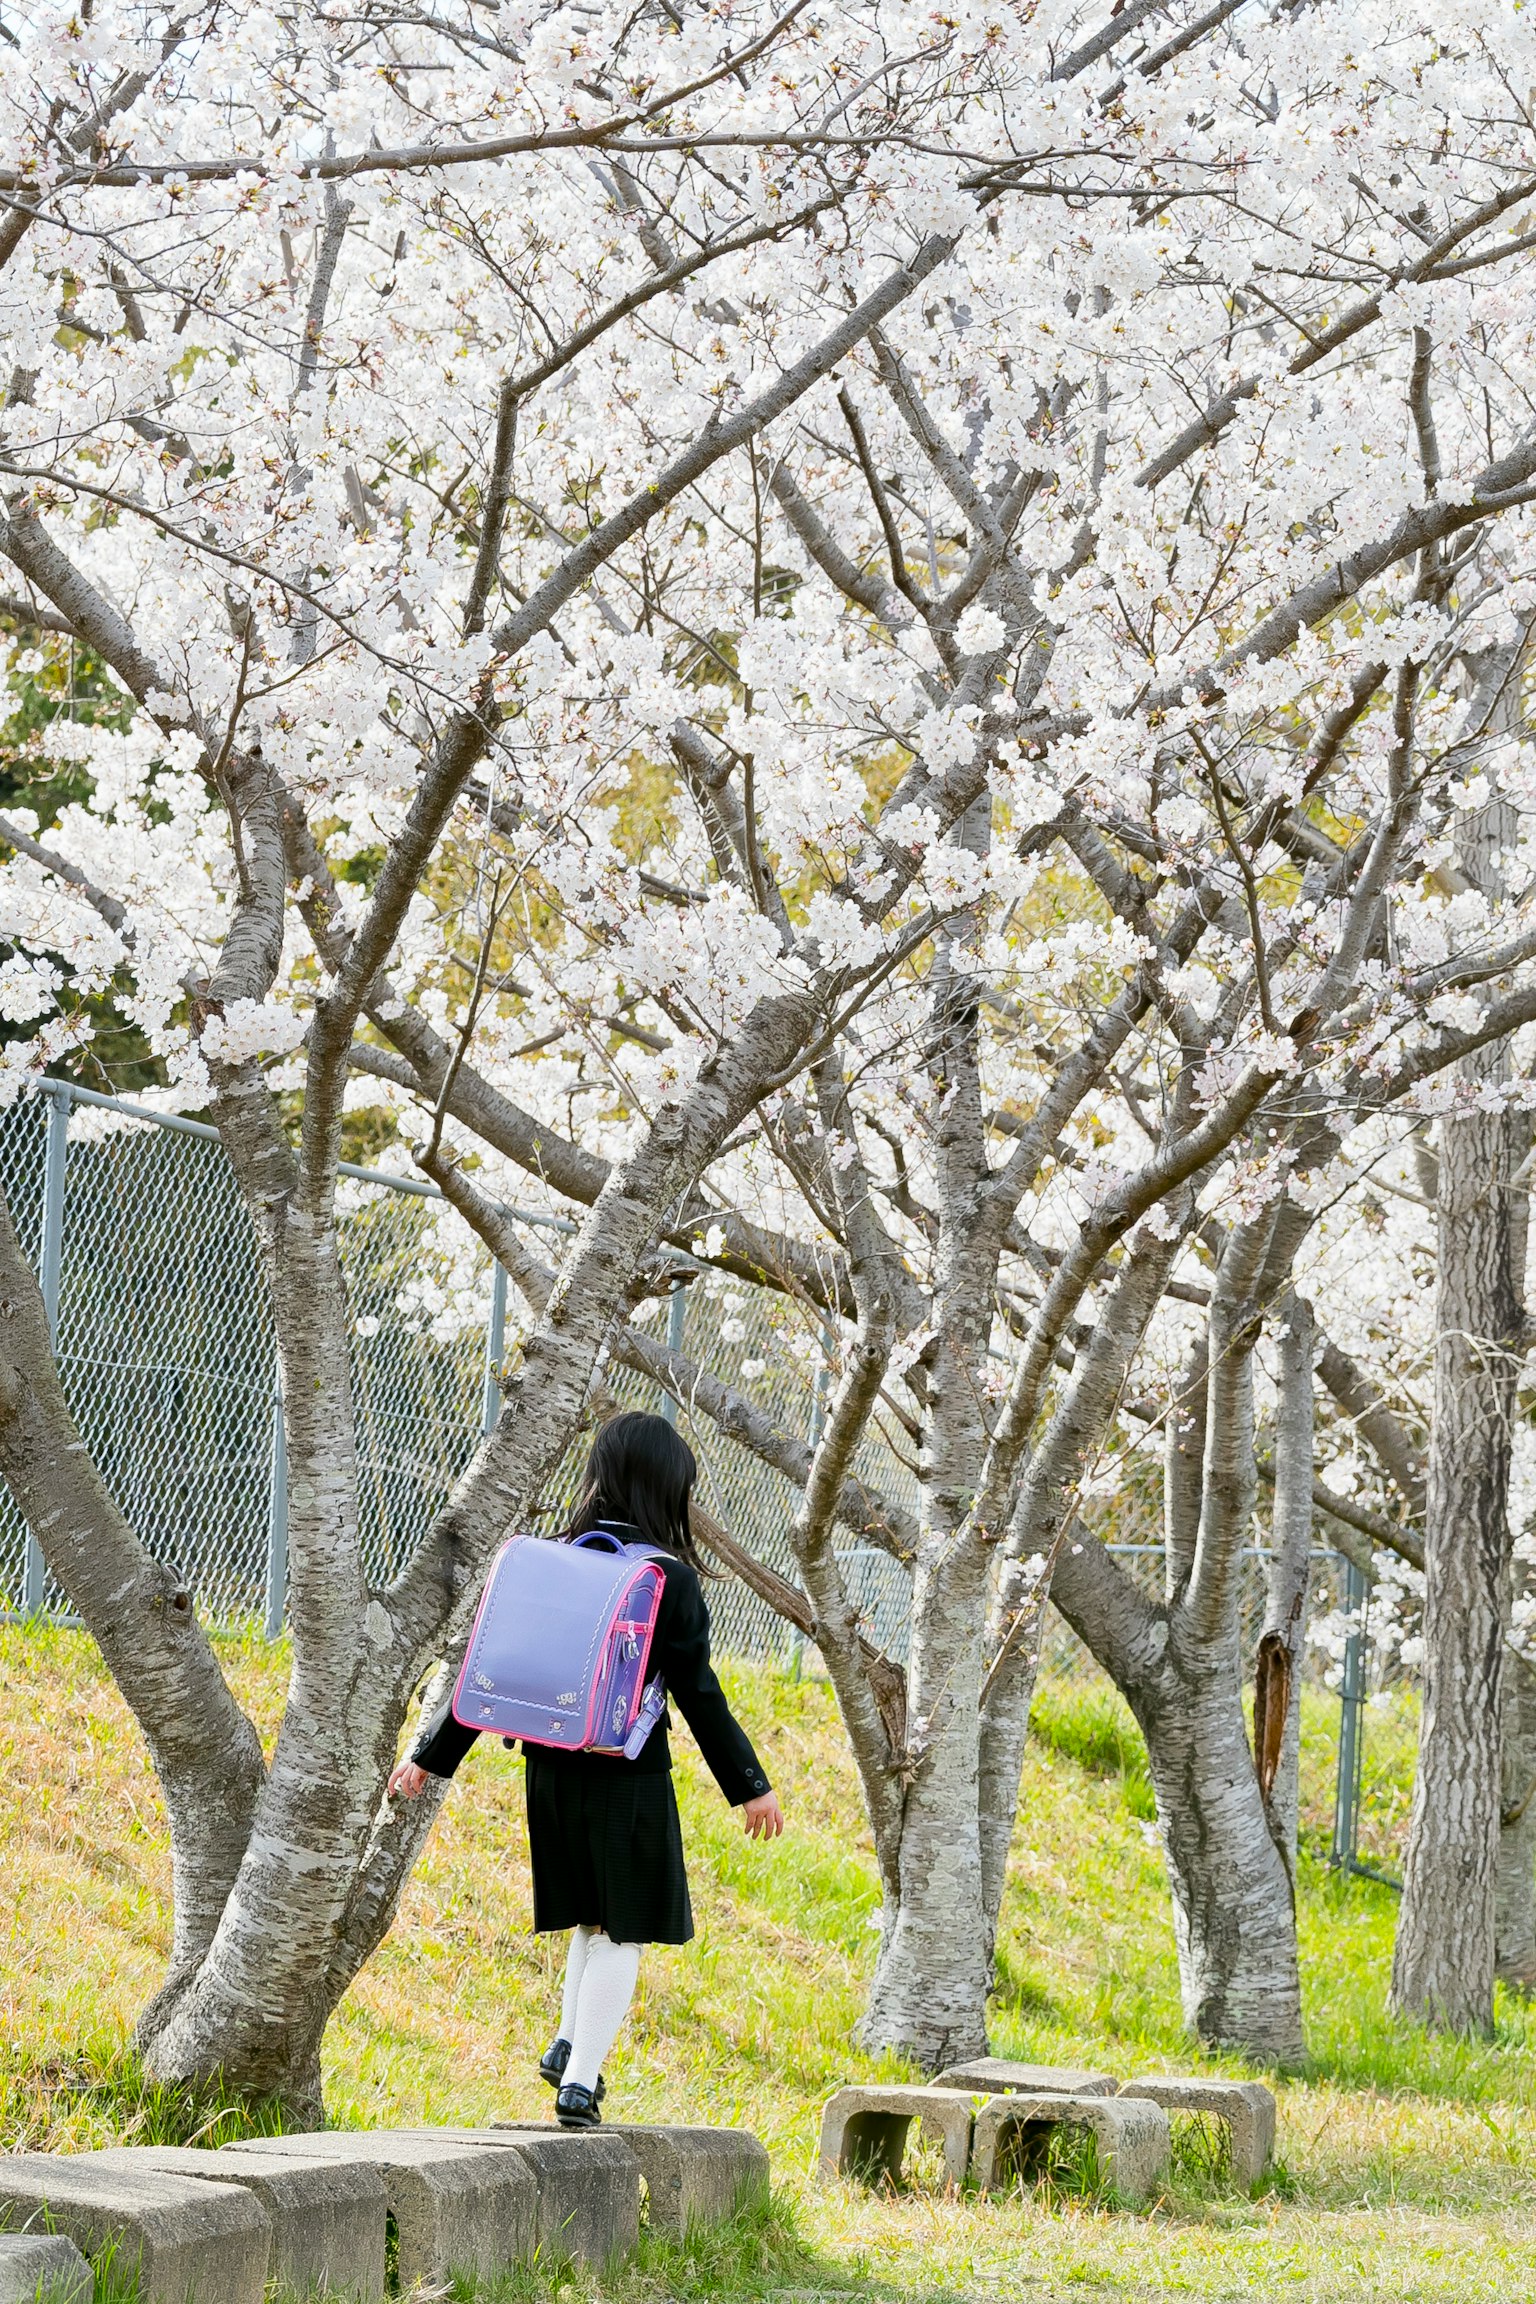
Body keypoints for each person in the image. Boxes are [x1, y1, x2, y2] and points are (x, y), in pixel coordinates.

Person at [388, 1410, 784, 2128]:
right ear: (667, 1490)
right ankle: (581, 2081)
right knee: (624, 1929)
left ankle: (568, 2042)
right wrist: (750, 1788)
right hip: (626, 1777)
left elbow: (496, 1671)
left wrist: (430, 1757)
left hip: (547, 1771)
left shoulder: (553, 1561)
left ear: (599, 1479)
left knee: (589, 1921)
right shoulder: (665, 1578)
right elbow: (698, 1693)